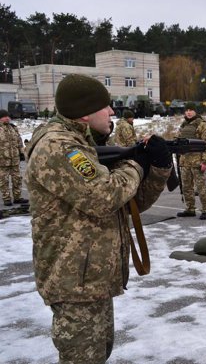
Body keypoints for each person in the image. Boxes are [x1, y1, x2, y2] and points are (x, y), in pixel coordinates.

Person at [26, 74, 172, 362]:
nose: (112, 112)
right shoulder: (59, 147)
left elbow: (128, 203)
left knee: (97, 354)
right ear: (84, 113)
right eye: (106, 107)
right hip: (74, 282)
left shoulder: (82, 143)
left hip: (91, 278)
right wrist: (134, 164)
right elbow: (105, 197)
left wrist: (158, 168)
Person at [177, 102, 206, 219]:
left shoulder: (203, 125)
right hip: (185, 161)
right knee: (186, 186)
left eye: (191, 110)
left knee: (201, 187)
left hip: (197, 161)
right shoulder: (183, 125)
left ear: (195, 111)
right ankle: (190, 208)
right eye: (186, 110)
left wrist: (205, 162)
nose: (188, 112)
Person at [0, 109, 28, 206]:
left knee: (17, 179)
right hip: (2, 161)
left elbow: (19, 142)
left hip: (15, 159)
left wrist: (21, 153)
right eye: (5, 116)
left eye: (8, 116)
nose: (7, 118)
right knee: (4, 181)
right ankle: (6, 199)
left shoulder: (13, 128)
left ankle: (17, 197)